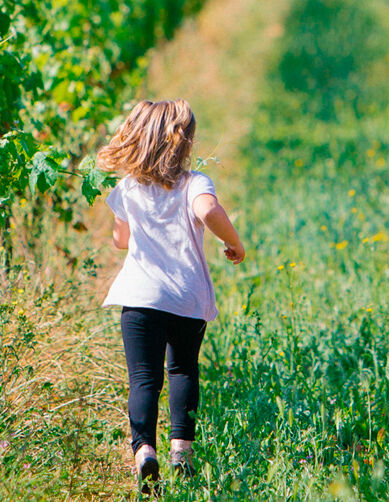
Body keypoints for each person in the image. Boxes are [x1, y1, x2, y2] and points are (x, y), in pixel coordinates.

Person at [98, 100, 246, 491]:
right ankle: (182, 451)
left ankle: (144, 450)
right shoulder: (194, 183)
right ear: (183, 143)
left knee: (143, 378)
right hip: (185, 298)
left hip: (140, 297)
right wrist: (233, 242)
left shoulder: (127, 186)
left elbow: (119, 241)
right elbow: (207, 209)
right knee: (182, 370)